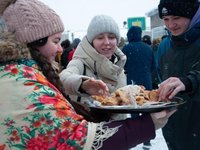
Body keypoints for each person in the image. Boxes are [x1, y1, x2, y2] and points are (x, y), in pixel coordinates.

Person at [0, 0, 175, 149]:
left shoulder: (119, 62)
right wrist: (82, 84)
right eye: (100, 38)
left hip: (117, 133)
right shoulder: (76, 62)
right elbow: (78, 138)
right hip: (106, 135)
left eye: (112, 37)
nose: (107, 42)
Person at [158, 0, 200, 149]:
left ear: (192, 15)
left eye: (176, 18)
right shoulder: (164, 46)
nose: (170, 25)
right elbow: (160, 79)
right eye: (166, 19)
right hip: (173, 130)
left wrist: (189, 82)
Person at [122, 26, 157, 150]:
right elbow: (154, 66)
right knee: (146, 109)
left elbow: (121, 66)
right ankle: (147, 140)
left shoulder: (126, 48)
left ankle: (136, 136)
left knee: (134, 109)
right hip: (146, 82)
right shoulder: (148, 48)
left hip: (132, 82)